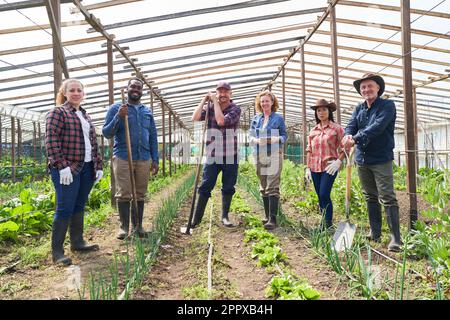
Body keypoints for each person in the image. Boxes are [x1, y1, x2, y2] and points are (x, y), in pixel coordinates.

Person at [45, 79, 103, 265]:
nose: (76, 93)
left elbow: (93, 144)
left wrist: (98, 165)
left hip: (86, 168)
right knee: (64, 208)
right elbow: (51, 140)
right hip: (68, 168)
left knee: (79, 205)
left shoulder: (85, 116)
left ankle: (77, 242)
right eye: (72, 90)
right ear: (65, 92)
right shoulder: (58, 113)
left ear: (83, 93)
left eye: (79, 90)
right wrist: (61, 166)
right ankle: (57, 253)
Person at [342, 73, 402, 252]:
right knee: (370, 196)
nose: (366, 89)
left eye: (370, 86)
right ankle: (375, 233)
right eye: (363, 87)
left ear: (378, 88)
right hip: (362, 159)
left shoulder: (387, 106)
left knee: (387, 197)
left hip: (381, 158)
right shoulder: (358, 109)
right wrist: (347, 135)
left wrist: (355, 139)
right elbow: (351, 125)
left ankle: (395, 239)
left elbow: (376, 127)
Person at [102, 78, 159, 239]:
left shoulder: (147, 111)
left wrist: (155, 159)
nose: (135, 89)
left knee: (140, 193)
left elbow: (153, 136)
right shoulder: (116, 108)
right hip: (123, 156)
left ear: (142, 92)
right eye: (132, 86)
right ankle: (124, 228)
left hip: (144, 157)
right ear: (127, 89)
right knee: (124, 193)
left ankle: (138, 227)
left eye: (138, 88)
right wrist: (119, 117)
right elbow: (107, 133)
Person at [190, 81, 241, 227]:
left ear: (230, 94)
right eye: (220, 92)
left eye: (226, 92)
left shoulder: (235, 109)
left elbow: (221, 121)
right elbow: (194, 118)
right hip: (212, 154)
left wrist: (214, 102)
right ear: (216, 93)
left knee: (228, 186)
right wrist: (203, 101)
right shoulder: (210, 107)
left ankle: (225, 217)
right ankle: (196, 219)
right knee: (206, 185)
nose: (222, 94)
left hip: (230, 154)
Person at [249, 90, 287, 230]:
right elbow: (250, 136)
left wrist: (276, 139)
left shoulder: (278, 118)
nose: (264, 103)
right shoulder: (256, 119)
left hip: (274, 153)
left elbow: (284, 135)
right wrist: (256, 140)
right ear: (259, 103)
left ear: (272, 102)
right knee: (263, 184)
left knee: (272, 184)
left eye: (267, 101)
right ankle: (266, 216)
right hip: (259, 153)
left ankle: (273, 219)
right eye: (262, 101)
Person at [305, 99, 345, 230]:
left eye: (324, 110)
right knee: (319, 196)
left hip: (329, 167)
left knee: (324, 194)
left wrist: (339, 161)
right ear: (316, 113)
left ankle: (328, 223)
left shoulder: (337, 129)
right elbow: (309, 150)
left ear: (329, 112)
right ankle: (324, 222)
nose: (321, 112)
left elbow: (346, 147)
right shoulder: (313, 131)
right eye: (318, 110)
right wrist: (307, 167)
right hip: (315, 167)